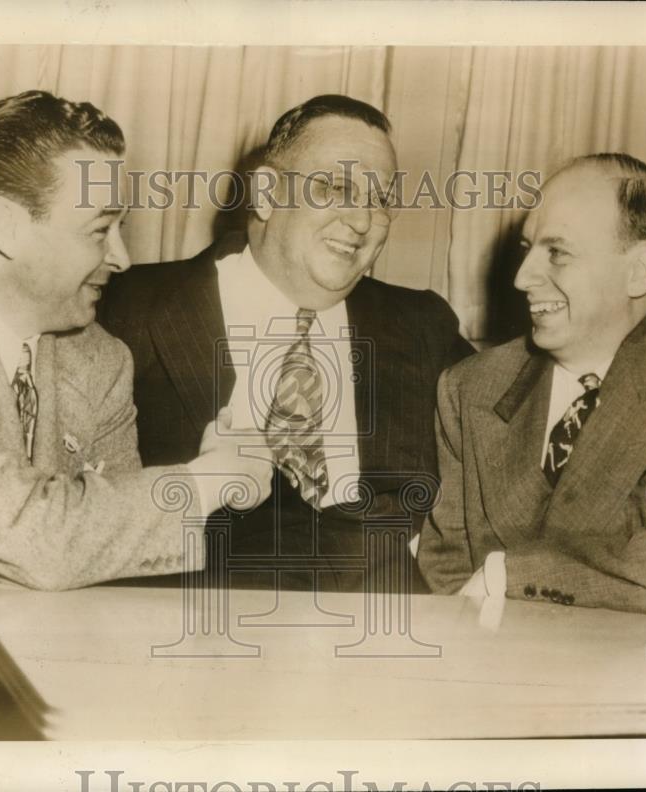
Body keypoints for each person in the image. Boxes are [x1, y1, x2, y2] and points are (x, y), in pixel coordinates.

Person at [0, 90, 272, 738]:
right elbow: (41, 539)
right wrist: (207, 480)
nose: (122, 258)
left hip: (49, 704)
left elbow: (108, 571)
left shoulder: (99, 360)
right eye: (99, 229)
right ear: (6, 227)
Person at [99, 95, 473, 592]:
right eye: (335, 187)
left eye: (379, 199)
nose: (361, 222)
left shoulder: (423, 326)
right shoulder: (126, 308)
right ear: (267, 193)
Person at [418, 153, 646, 618]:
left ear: (638, 271)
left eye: (558, 252)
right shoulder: (469, 388)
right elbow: (446, 570)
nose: (521, 278)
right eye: (527, 248)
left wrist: (512, 575)